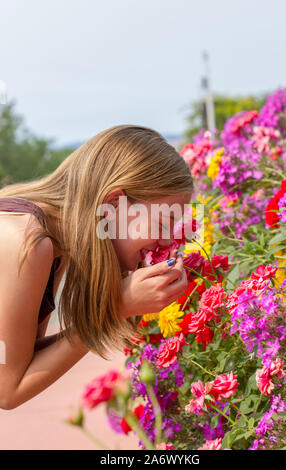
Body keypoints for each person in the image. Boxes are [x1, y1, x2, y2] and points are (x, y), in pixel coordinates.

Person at [0, 124, 194, 410]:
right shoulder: (29, 242)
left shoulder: (54, 242)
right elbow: (7, 390)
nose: (166, 240)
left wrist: (111, 310)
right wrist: (115, 308)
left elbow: (21, 360)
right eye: (163, 223)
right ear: (114, 203)